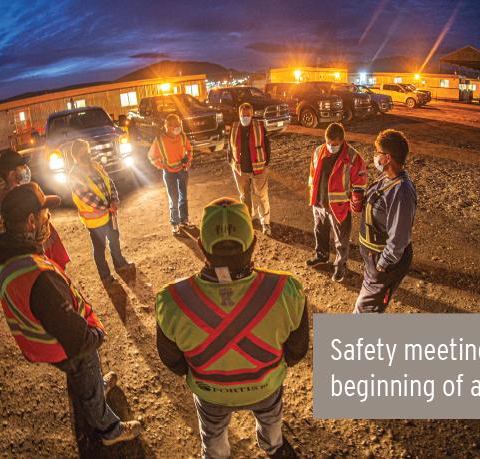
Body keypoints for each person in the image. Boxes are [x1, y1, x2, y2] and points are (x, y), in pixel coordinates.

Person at [0, 182, 142, 445]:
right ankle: (108, 429)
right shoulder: (39, 276)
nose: (50, 220)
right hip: (67, 348)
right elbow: (78, 340)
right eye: (46, 215)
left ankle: (96, 389)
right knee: (85, 375)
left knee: (86, 378)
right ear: (31, 220)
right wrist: (97, 335)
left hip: (42, 341)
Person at [155, 197, 309, 458]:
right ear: (254, 243)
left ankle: (216, 455)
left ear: (202, 247)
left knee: (212, 432)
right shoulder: (286, 290)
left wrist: (205, 371)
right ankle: (273, 447)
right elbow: (297, 350)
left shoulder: (172, 300)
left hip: (209, 390)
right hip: (265, 384)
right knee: (271, 419)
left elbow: (172, 360)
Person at [355, 129, 417, 313]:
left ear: (387, 157)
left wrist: (382, 265)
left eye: (378, 153)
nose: (375, 157)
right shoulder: (386, 179)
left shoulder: (401, 192)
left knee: (364, 309)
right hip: (373, 261)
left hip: (384, 266)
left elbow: (399, 237)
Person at [306, 123, 367, 282]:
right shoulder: (318, 152)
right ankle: (322, 256)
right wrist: (313, 198)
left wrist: (356, 203)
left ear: (342, 141)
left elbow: (359, 183)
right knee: (319, 231)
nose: (331, 147)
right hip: (319, 203)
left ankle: (340, 266)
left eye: (335, 144)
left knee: (341, 240)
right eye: (329, 143)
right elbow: (312, 175)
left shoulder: (353, 157)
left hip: (339, 207)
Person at [68, 139, 135, 282]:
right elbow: (87, 197)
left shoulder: (96, 166)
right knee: (100, 249)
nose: (87, 154)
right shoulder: (75, 175)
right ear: (75, 156)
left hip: (109, 214)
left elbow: (109, 182)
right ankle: (105, 276)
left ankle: (120, 264)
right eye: (83, 152)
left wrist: (114, 200)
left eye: (87, 150)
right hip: (96, 220)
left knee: (114, 240)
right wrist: (107, 206)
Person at [0, 149, 70, 270]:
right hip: (37, 258)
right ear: (11, 173)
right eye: (22, 167)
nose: (26, 169)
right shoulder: (6, 203)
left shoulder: (26, 191)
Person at [227, 103, 272, 235]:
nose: (245, 117)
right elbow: (229, 146)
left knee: (262, 196)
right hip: (240, 170)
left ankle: (265, 223)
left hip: (259, 169)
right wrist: (231, 161)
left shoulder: (260, 126)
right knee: (244, 196)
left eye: (247, 115)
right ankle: (247, 219)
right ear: (239, 115)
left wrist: (266, 164)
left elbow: (267, 145)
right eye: (242, 115)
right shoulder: (234, 127)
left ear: (252, 114)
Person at [147, 113, 193, 235]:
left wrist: (188, 161)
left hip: (182, 171)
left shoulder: (182, 137)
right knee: (173, 198)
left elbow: (189, 149)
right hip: (169, 173)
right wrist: (161, 165)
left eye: (178, 125)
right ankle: (175, 223)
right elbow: (151, 156)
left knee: (183, 197)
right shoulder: (160, 140)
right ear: (167, 127)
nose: (178, 128)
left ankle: (184, 220)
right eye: (175, 126)